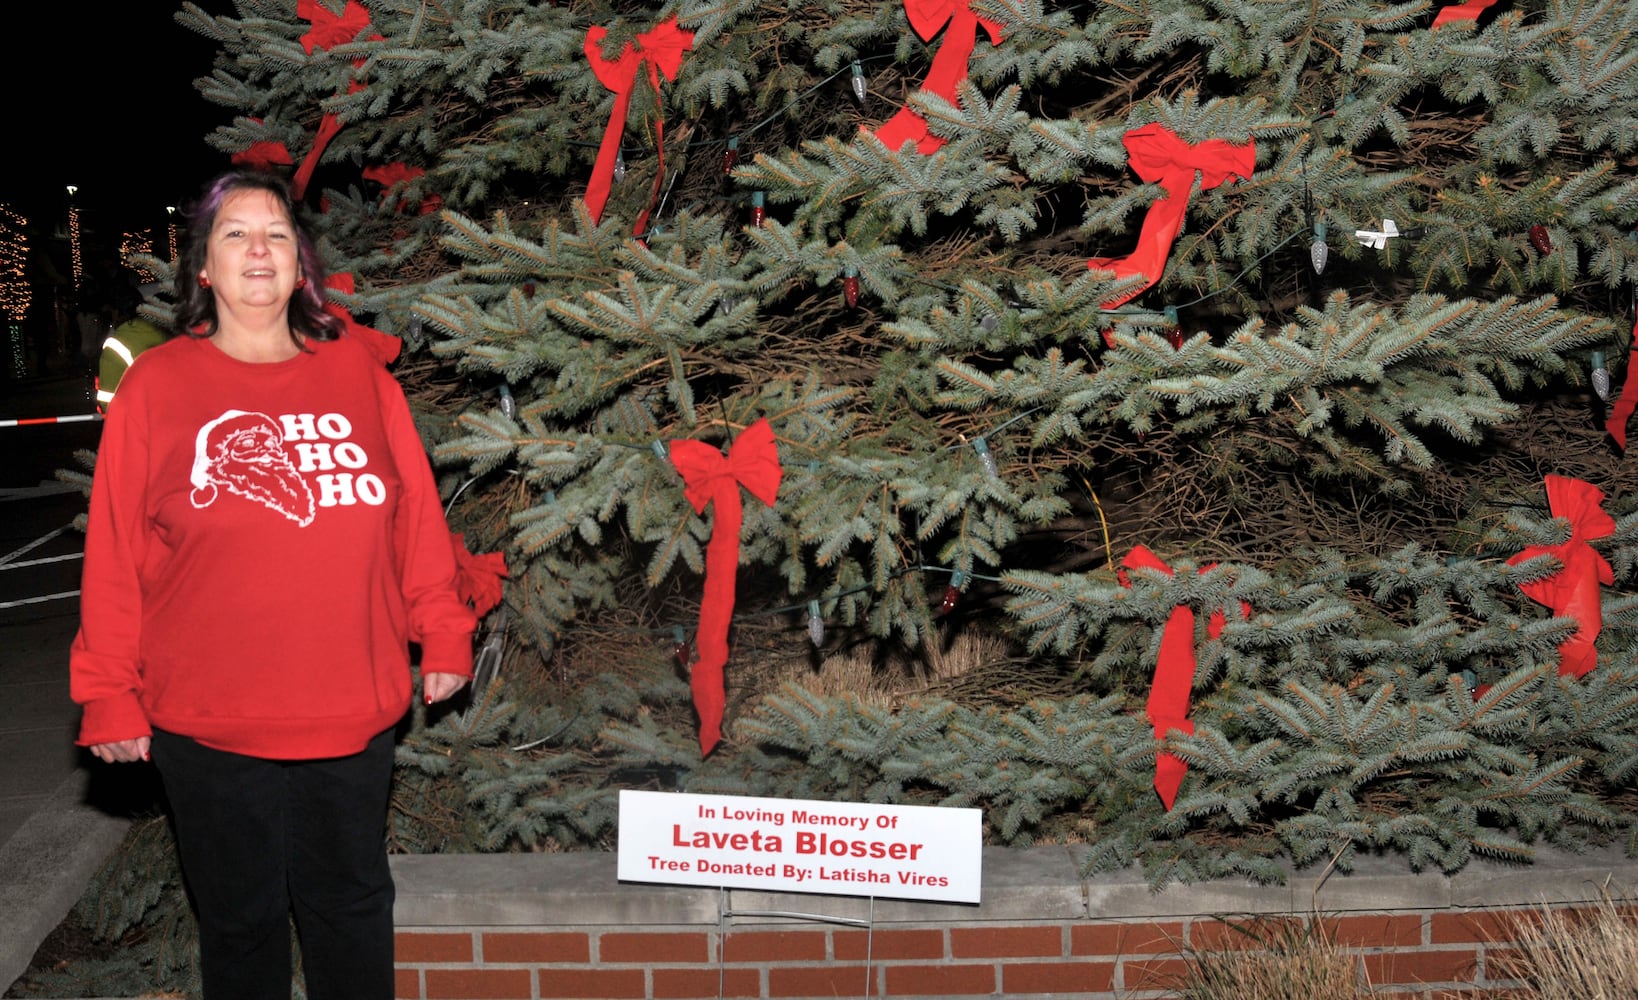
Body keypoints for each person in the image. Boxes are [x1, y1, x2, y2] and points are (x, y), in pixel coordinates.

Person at [69, 169, 476, 1000]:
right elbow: (114, 553)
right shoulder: (158, 388)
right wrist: (109, 690)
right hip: (210, 722)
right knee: (240, 928)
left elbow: (414, 519)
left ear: (301, 266)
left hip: (350, 710)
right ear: (205, 271)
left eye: (278, 234)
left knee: (352, 911)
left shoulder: (360, 378)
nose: (260, 247)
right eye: (235, 234)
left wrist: (443, 627)